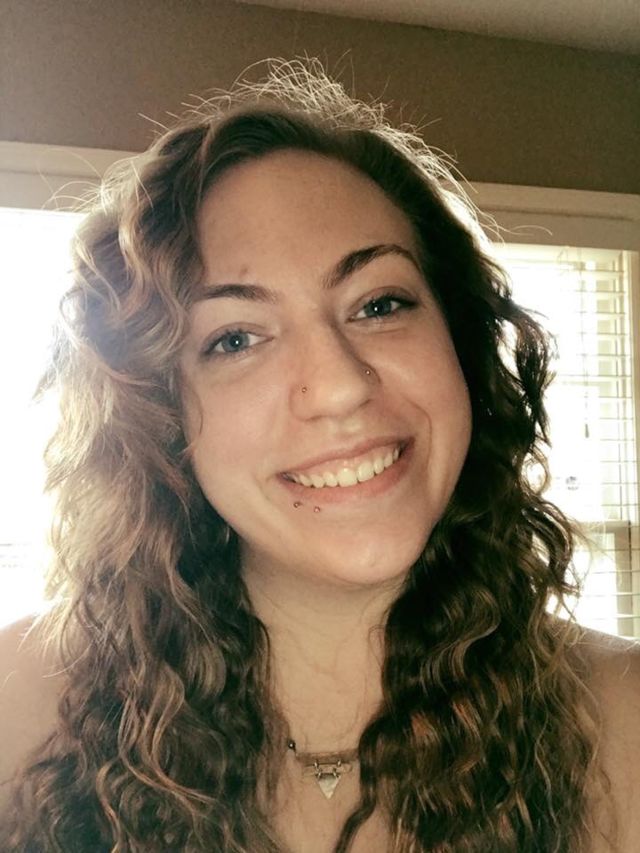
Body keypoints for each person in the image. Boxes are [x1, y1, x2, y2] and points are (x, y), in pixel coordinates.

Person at [0, 58, 638, 853]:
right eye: (236, 339)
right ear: (157, 415)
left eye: (380, 303)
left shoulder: (622, 723)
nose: (339, 386)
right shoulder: (18, 708)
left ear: (462, 343)